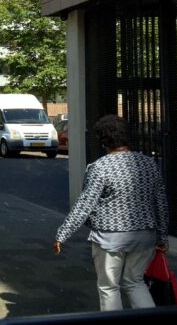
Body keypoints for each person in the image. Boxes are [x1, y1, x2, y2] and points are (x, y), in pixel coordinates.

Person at [53, 115, 169, 311]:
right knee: (135, 282)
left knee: (109, 287)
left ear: (103, 140)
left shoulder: (100, 168)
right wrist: (162, 236)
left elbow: (84, 205)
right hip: (144, 236)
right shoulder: (149, 164)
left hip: (109, 238)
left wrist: (62, 234)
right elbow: (161, 203)